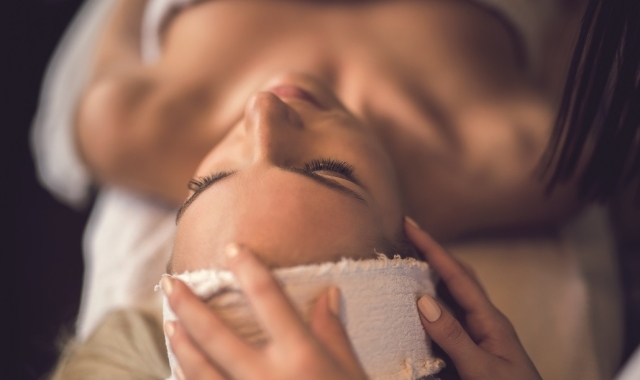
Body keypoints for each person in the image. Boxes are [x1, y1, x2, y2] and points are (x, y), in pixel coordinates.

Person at [34, 0, 638, 378]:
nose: (262, 113)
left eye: (209, 180)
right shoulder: (531, 160)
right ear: (417, 249)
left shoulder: (125, 125)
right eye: (329, 172)